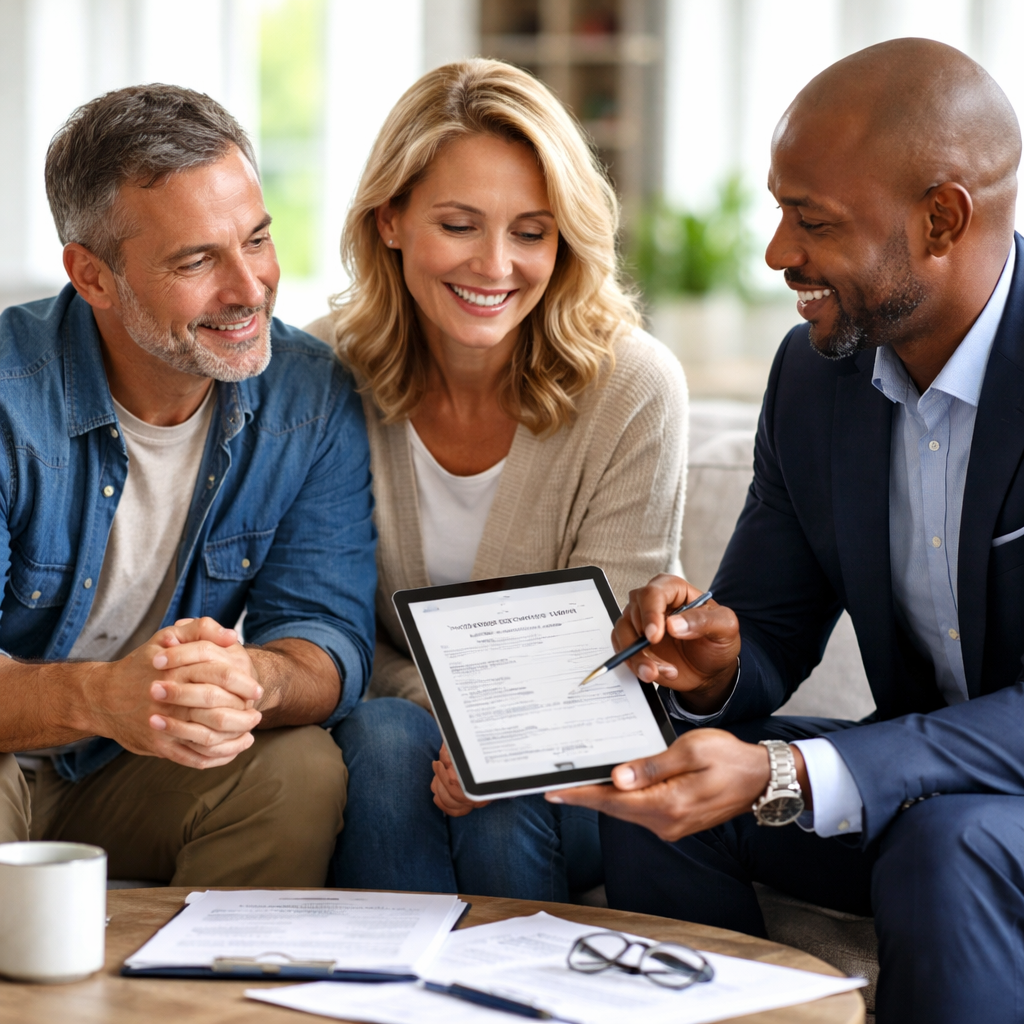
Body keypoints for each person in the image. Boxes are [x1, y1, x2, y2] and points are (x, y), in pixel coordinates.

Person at [550, 38, 1024, 1024]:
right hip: (923, 790)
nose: (775, 253)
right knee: (660, 798)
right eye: (778, 209)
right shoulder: (818, 379)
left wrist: (792, 770)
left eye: (811, 220)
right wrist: (710, 662)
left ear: (942, 218)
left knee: (948, 844)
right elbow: (760, 628)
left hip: (967, 819)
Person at [307, 59, 687, 901]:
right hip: (394, 739)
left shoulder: (633, 386)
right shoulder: (324, 371)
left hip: (577, 762)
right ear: (392, 219)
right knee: (381, 738)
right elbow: (319, 619)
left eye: (530, 231)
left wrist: (500, 743)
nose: (495, 265)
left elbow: (605, 649)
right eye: (459, 224)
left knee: (505, 795)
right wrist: (461, 724)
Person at [0, 84, 376, 886]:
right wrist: (104, 698)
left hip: (128, 774)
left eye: (258, 239)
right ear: (92, 276)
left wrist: (254, 679)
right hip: (10, 749)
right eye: (197, 260)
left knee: (298, 767)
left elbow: (328, 634)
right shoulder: (7, 399)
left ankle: (203, 1007)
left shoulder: (308, 397)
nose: (249, 290)